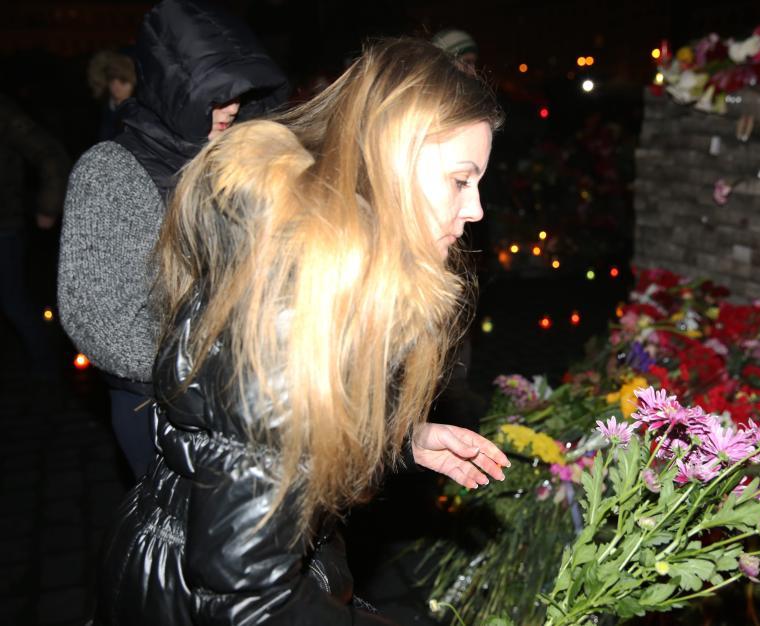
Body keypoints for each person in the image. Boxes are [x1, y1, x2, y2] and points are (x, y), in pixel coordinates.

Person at [94, 37, 508, 625]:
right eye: (460, 180)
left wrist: (401, 442)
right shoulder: (297, 302)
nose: (476, 210)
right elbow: (247, 596)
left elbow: (284, 439)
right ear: (393, 158)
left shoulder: (330, 273)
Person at [58, 0, 289, 480]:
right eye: (215, 93)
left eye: (241, 91)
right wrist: (213, 373)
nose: (232, 107)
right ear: (173, 88)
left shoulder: (245, 159)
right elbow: (100, 320)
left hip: (261, 398)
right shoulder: (111, 173)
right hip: (161, 409)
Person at [0, 94, 71, 393]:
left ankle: (46, 371)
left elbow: (49, 154)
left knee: (13, 301)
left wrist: (48, 206)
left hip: (4, 224)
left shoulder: (5, 113)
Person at [86, 49, 137, 141]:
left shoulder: (140, 112)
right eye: (112, 80)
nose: (116, 86)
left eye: (123, 81)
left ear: (132, 83)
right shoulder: (101, 110)